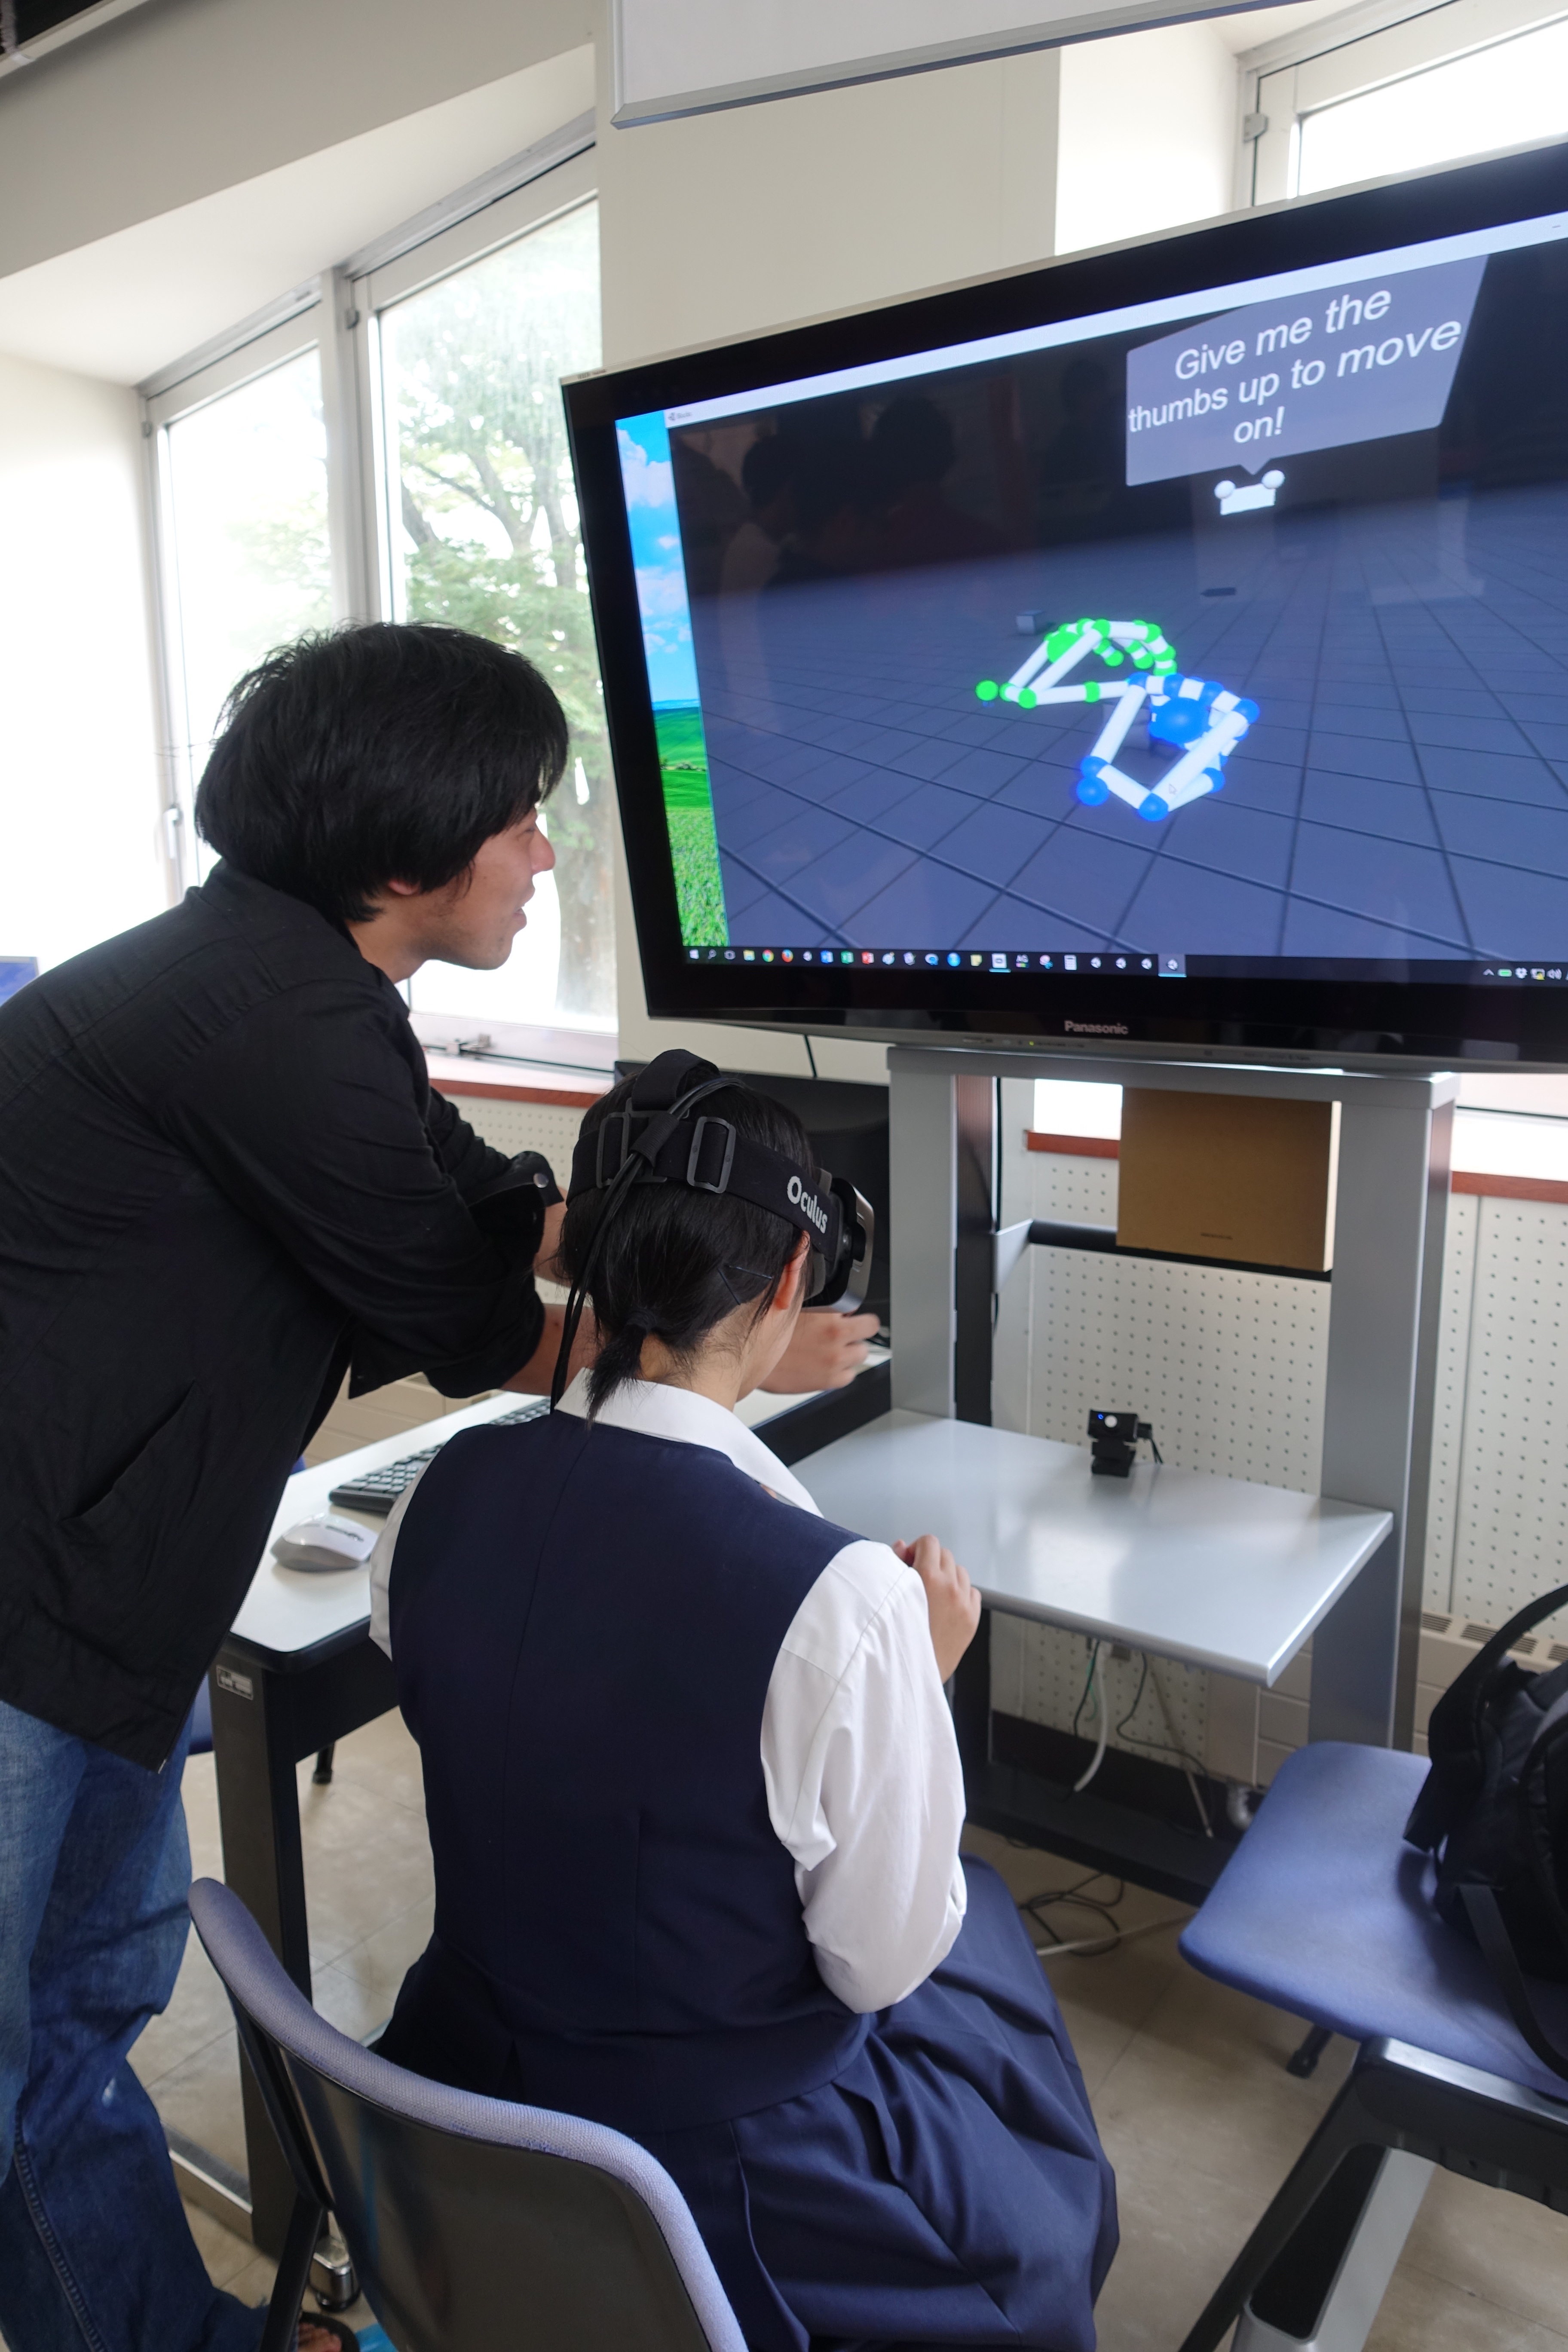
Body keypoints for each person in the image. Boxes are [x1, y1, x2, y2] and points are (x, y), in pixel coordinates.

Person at [0, 628, 871, 2352]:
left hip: (113, 1589)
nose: (546, 853)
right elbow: (472, 1317)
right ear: (407, 851)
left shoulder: (308, 984)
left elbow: (482, 1201)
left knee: (78, 2017)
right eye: (520, 817)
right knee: (35, 2047)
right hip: (30, 1603)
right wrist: (739, 1340)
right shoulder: (268, 1022)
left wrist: (682, 1219)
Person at [369, 1054, 1118, 2352]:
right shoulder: (842, 1602)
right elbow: (876, 1962)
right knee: (1027, 2189)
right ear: (788, 1285)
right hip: (714, 2187)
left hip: (463, 2113)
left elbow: (535, 1716)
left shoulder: (437, 1498)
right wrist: (913, 1690)